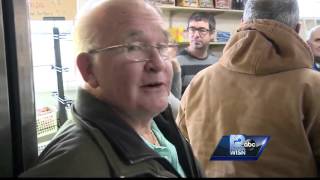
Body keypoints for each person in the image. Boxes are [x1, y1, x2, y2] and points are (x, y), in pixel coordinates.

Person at [20, 0, 203, 177]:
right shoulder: (71, 166)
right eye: (134, 47)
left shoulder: (162, 120)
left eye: (162, 46)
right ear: (89, 70)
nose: (158, 63)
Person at [177, 0, 320, 177]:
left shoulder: (199, 82)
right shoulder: (313, 87)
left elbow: (183, 147)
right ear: (297, 30)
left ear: (242, 25)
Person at [177, 11, 219, 98]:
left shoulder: (216, 63)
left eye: (202, 30)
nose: (196, 35)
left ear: (212, 34)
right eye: (192, 29)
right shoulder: (177, 63)